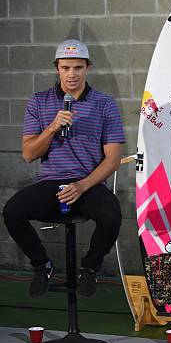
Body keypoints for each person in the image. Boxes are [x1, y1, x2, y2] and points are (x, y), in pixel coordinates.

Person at [3, 39, 125, 299]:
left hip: (87, 183)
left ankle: (90, 268)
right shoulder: (39, 102)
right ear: (57, 68)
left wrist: (82, 186)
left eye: (78, 67)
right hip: (52, 182)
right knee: (13, 211)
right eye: (66, 67)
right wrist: (51, 127)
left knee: (112, 214)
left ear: (87, 68)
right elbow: (28, 154)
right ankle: (42, 265)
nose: (72, 74)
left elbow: (113, 159)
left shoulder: (105, 104)